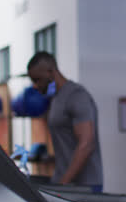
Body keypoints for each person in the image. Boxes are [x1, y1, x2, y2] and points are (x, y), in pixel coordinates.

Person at [27, 51, 103, 186]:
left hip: (84, 186)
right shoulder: (56, 97)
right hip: (64, 181)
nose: (35, 85)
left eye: (37, 79)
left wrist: (64, 183)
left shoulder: (77, 96)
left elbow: (86, 144)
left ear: (50, 71)